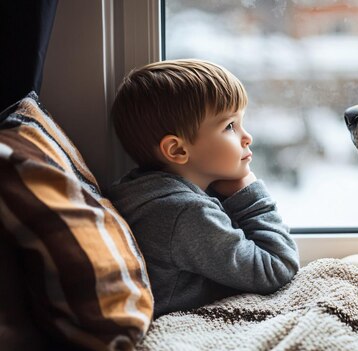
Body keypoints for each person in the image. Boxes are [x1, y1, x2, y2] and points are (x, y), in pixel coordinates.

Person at [107, 59, 300, 318]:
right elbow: (278, 268)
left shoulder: (143, 190)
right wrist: (246, 191)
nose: (247, 137)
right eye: (230, 126)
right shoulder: (185, 213)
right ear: (178, 150)